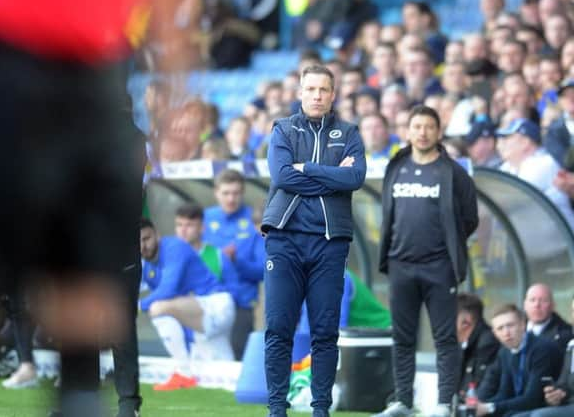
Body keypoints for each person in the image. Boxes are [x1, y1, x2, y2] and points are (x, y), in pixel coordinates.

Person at [0, 0, 157, 416]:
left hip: (58, 105)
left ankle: (89, 400)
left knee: (84, 303)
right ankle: (80, 396)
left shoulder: (122, 128)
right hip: (7, 98)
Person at [261, 64, 366, 417]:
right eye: (311, 89)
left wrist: (308, 169)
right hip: (284, 240)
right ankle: (277, 408)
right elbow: (282, 176)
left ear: (333, 95)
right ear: (300, 93)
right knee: (278, 328)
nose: (317, 96)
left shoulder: (349, 132)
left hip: (329, 244)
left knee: (324, 332)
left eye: (324, 90)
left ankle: (321, 409)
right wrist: (332, 177)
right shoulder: (283, 129)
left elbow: (355, 177)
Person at [374, 105, 479, 417]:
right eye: (416, 126)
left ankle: (445, 403)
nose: (422, 133)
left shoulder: (453, 172)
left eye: (428, 127)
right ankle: (403, 401)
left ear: (439, 132)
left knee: (444, 338)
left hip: (439, 267)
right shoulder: (397, 166)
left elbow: (469, 219)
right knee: (402, 337)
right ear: (408, 131)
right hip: (400, 265)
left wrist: (446, 248)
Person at [139, 218, 235, 390]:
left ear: (157, 235)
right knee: (226, 378)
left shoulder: (174, 247)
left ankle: (183, 373)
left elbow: (168, 290)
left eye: (146, 239)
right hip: (199, 318)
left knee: (158, 308)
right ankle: (185, 372)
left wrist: (137, 306)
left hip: (216, 305)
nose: (142, 246)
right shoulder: (145, 265)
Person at [203, 169, 260, 361]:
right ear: (216, 193)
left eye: (236, 193)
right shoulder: (204, 218)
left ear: (243, 193)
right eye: (226, 193)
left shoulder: (255, 221)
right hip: (207, 302)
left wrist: (237, 261)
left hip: (241, 305)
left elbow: (263, 270)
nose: (231, 199)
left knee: (238, 360)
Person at [475, 304, 561, 417]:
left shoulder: (541, 349)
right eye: (500, 328)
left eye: (510, 325)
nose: (506, 332)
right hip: (522, 408)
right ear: (495, 333)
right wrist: (482, 406)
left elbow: (532, 399)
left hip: (544, 408)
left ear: (523, 324)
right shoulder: (505, 352)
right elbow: (505, 393)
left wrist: (490, 407)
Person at [511, 296, 574, 417]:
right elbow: (563, 383)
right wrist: (558, 393)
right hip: (569, 405)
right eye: (573, 311)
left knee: (539, 416)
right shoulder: (571, 346)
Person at [457, 293, 500, 397]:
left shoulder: (487, 343)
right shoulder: (467, 343)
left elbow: (477, 388)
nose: (444, 325)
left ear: (466, 322)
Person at [524, 284, 573, 359]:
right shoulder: (512, 329)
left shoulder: (566, 334)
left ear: (553, 305)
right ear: (525, 305)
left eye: (543, 300)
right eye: (532, 300)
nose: (537, 305)